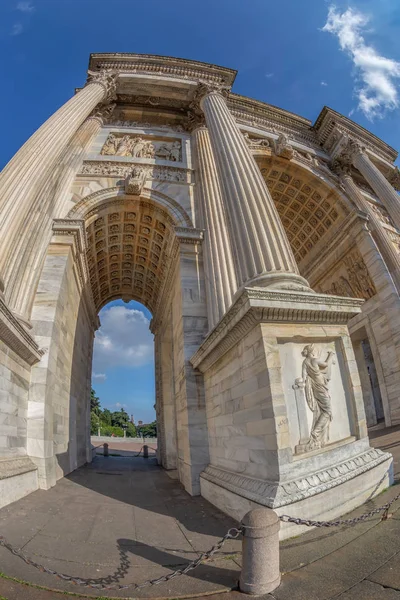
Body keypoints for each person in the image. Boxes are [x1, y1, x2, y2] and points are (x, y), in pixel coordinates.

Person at [298, 344, 335, 450]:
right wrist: (330, 355)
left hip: (315, 387)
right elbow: (326, 365)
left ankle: (317, 433)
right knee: (327, 411)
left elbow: (304, 376)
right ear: (312, 352)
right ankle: (316, 432)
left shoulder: (305, 362)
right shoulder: (314, 360)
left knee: (323, 410)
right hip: (320, 386)